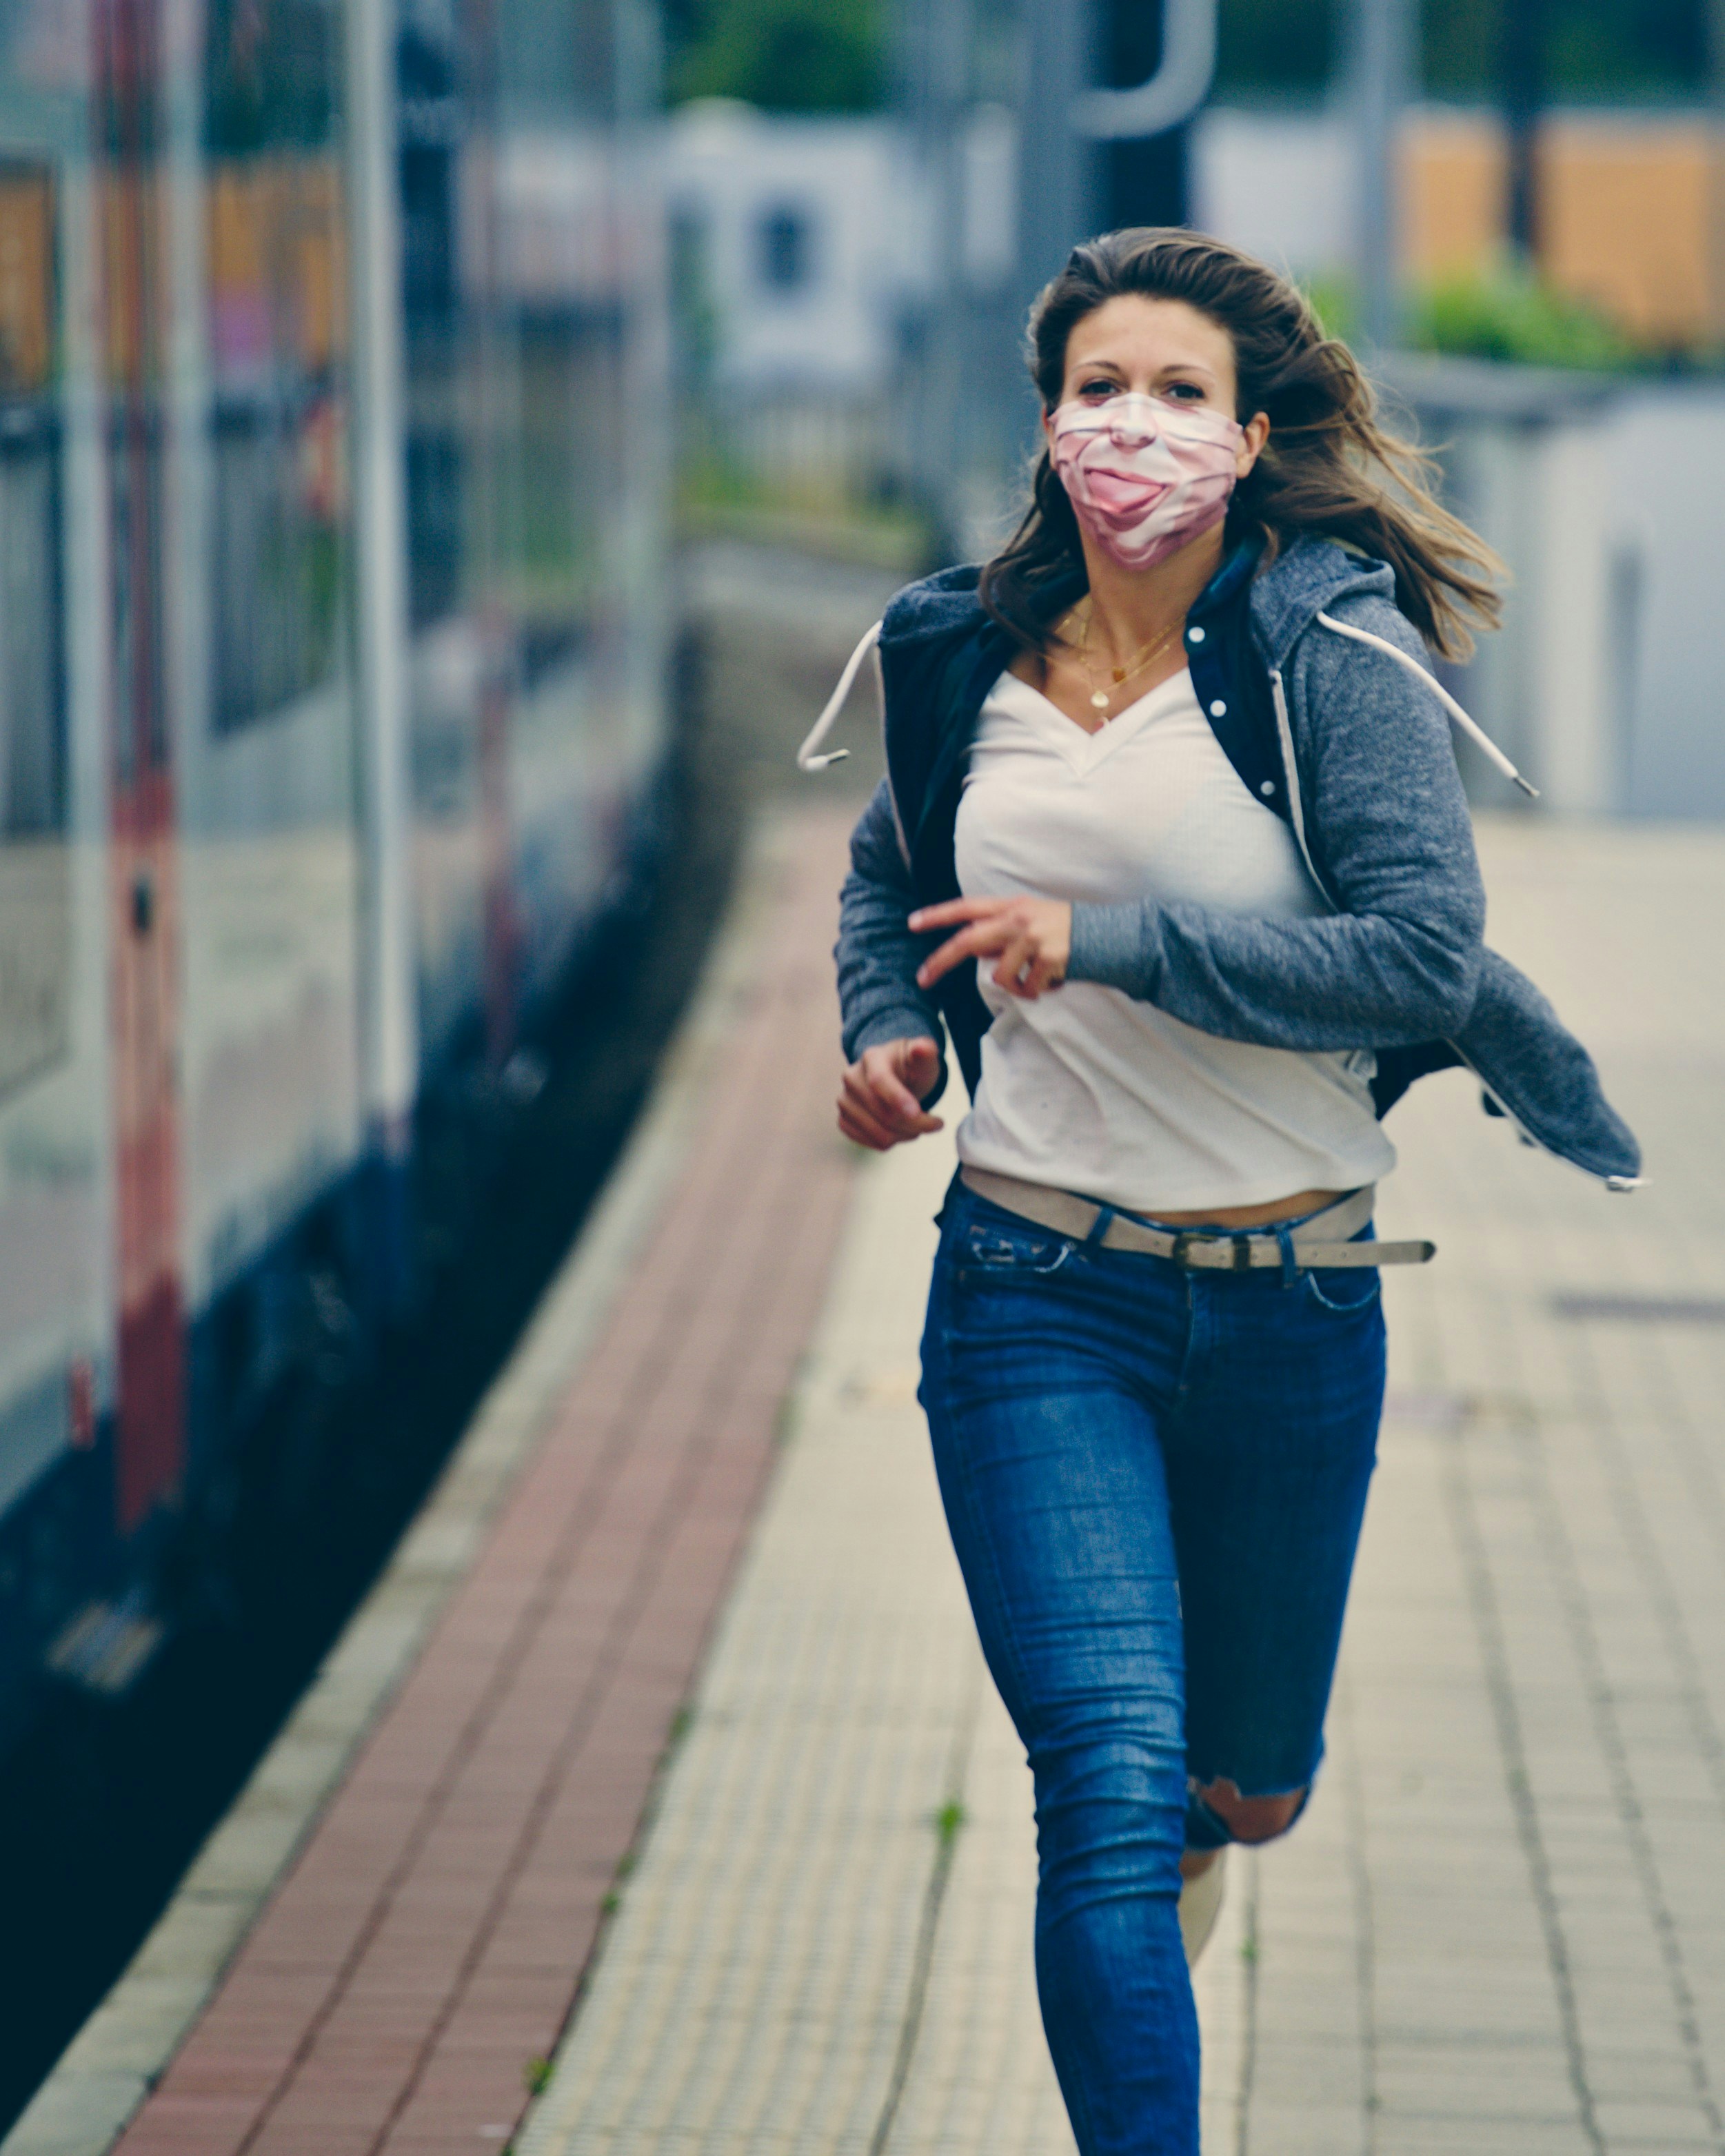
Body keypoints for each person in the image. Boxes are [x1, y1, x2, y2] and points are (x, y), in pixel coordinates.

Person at [810, 229, 1640, 2155]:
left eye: (1178, 392)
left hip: (1294, 1307)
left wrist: (1104, 943)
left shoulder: (1326, 648)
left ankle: (1215, 1833)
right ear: (1048, 423)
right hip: (1033, 1289)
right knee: (1107, 1774)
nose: (1133, 426)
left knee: (1237, 1788)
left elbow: (1423, 954)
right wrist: (894, 1034)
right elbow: (886, 881)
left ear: (1251, 436)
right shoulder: (963, 656)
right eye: (1099, 387)